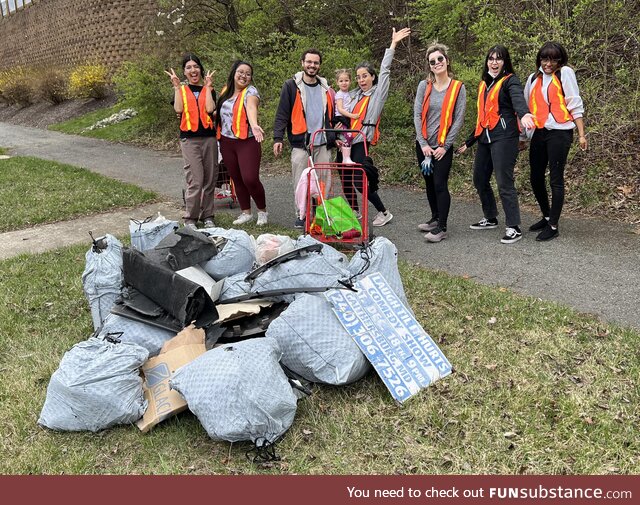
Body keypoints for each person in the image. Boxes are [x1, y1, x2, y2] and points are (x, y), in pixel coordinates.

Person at [457, 45, 535, 244]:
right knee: (479, 178)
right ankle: (490, 217)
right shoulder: (485, 84)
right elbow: (483, 117)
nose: (494, 62)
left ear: (505, 62)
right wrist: (469, 141)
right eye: (491, 58)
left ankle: (513, 226)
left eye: (498, 59)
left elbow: (518, 99)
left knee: (504, 182)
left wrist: (525, 113)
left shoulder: (511, 81)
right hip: (485, 138)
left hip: (505, 138)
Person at [342, 27, 411, 228]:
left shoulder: (377, 95)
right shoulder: (354, 95)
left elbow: (385, 71)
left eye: (365, 76)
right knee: (345, 179)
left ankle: (383, 211)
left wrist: (393, 44)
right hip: (345, 141)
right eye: (359, 77)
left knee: (359, 180)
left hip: (361, 141)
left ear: (372, 77)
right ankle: (355, 212)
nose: (361, 80)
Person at [522, 41, 587, 241]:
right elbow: (527, 109)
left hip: (560, 132)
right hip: (540, 132)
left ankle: (553, 225)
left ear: (560, 60)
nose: (548, 63)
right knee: (535, 177)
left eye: (552, 59)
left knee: (556, 178)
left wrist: (582, 134)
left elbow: (574, 103)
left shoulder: (565, 73)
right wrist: (523, 136)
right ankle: (546, 214)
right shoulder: (533, 78)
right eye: (544, 58)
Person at [273, 49, 336, 229]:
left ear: (319, 66)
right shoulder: (291, 86)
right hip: (301, 144)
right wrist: (278, 138)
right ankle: (302, 215)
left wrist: (335, 134)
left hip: (323, 143)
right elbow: (282, 114)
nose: (312, 65)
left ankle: (321, 213)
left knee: (324, 181)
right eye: (309, 62)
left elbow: (332, 114)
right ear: (302, 63)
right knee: (301, 182)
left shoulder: (326, 88)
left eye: (316, 63)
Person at [413, 43, 466, 242]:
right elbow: (417, 115)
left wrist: (445, 146)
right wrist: (423, 143)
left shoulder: (458, 87)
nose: (437, 63)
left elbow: (459, 119)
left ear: (447, 61)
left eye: (440, 59)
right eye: (432, 61)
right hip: (424, 145)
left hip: (443, 147)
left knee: (440, 183)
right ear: (429, 65)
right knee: (428, 183)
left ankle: (442, 227)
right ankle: (435, 218)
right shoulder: (424, 86)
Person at [165, 53, 218, 230]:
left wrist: (209, 87)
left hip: (209, 138)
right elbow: (178, 109)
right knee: (195, 179)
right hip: (190, 140)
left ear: (201, 70)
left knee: (210, 179)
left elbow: (210, 109)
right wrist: (176, 87)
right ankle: (190, 218)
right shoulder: (181, 90)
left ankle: (208, 215)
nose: (193, 70)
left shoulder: (208, 90)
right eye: (188, 67)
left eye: (195, 66)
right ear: (184, 72)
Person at [216, 60, 268, 226]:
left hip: (247, 141)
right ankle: (246, 212)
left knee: (250, 178)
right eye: (241, 72)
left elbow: (251, 108)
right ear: (233, 73)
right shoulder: (226, 91)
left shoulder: (251, 91)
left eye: (248, 73)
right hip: (226, 141)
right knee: (236, 179)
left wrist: (254, 125)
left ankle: (262, 211)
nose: (244, 76)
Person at [333, 68, 359, 164]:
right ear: (337, 83)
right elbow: (340, 109)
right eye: (341, 81)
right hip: (341, 119)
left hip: (346, 118)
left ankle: (345, 155)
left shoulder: (348, 93)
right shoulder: (339, 94)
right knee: (348, 136)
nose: (344, 83)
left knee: (347, 137)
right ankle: (345, 158)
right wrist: (352, 116)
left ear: (350, 81)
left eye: (346, 80)